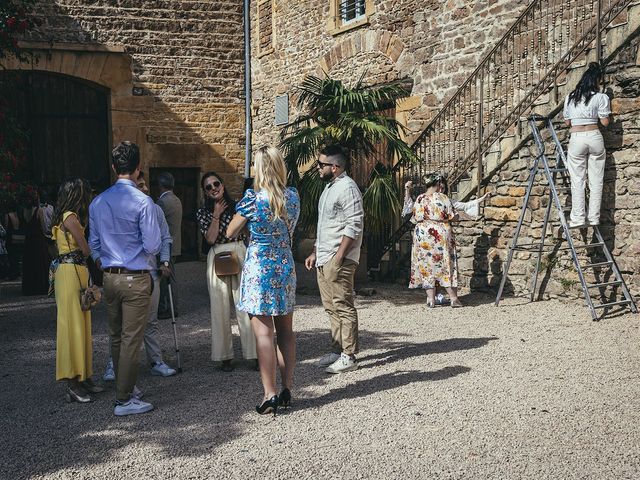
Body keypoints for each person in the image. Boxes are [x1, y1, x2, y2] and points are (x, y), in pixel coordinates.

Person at [89, 142, 161, 416]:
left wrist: (104, 262)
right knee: (131, 338)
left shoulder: (98, 202)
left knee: (116, 336)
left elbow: (93, 243)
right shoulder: (144, 202)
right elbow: (153, 245)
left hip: (109, 276)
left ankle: (126, 386)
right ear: (138, 168)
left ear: (113, 168)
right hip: (135, 277)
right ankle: (123, 398)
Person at [227, 146, 300, 415]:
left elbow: (231, 230)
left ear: (260, 168)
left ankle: (269, 393)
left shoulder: (252, 199)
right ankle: (288, 388)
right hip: (284, 264)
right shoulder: (292, 196)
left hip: (260, 266)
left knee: (263, 333)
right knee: (286, 332)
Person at [102, 173, 177, 381]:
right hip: (126, 273)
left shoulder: (156, 210)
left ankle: (155, 361)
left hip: (151, 272)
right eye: (139, 185)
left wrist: (164, 262)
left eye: (145, 185)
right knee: (119, 325)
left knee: (151, 321)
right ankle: (113, 363)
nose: (143, 188)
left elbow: (165, 238)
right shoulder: (119, 209)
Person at [304, 144, 364, 374]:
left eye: (321, 164)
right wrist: (315, 252)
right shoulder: (330, 187)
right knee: (330, 307)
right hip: (325, 256)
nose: (317, 168)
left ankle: (349, 356)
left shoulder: (347, 188)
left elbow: (354, 224)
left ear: (335, 167)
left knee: (343, 306)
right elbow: (326, 226)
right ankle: (337, 349)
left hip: (339, 258)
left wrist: (339, 257)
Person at [196, 172, 257, 372]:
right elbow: (211, 239)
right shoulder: (202, 213)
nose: (214, 188)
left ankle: (253, 353)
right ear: (205, 192)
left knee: (245, 305)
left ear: (223, 185)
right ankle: (224, 356)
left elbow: (246, 231)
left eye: (216, 183)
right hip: (217, 255)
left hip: (238, 250)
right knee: (219, 308)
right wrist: (216, 214)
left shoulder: (238, 206)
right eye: (208, 187)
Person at [51, 178, 104, 403]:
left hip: (75, 271)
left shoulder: (68, 216)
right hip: (70, 272)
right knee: (72, 327)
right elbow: (84, 246)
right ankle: (73, 383)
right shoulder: (70, 217)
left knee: (81, 326)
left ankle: (83, 376)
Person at [563, 62, 611, 228]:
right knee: (596, 180)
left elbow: (567, 122)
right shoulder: (601, 97)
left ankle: (577, 218)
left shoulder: (570, 97)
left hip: (577, 137)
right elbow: (604, 122)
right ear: (596, 81)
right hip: (594, 136)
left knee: (578, 180)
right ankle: (593, 218)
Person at [408, 173, 463, 308]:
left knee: (426, 265)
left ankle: (431, 299)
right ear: (438, 184)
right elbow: (452, 216)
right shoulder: (443, 198)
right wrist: (456, 217)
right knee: (446, 263)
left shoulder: (420, 198)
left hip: (422, 233)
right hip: (440, 232)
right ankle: (453, 297)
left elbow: (415, 217)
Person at [156, 172, 183, 320]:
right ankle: (171, 307)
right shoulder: (177, 199)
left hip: (167, 245)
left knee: (167, 279)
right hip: (176, 242)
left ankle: (169, 308)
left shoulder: (162, 202)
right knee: (170, 278)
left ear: (160, 185)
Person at [22, 190, 52, 295]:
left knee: (29, 263)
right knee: (40, 262)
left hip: (28, 240)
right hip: (38, 240)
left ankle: (30, 287)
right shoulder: (39, 210)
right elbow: (44, 227)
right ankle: (41, 286)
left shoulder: (24, 210)